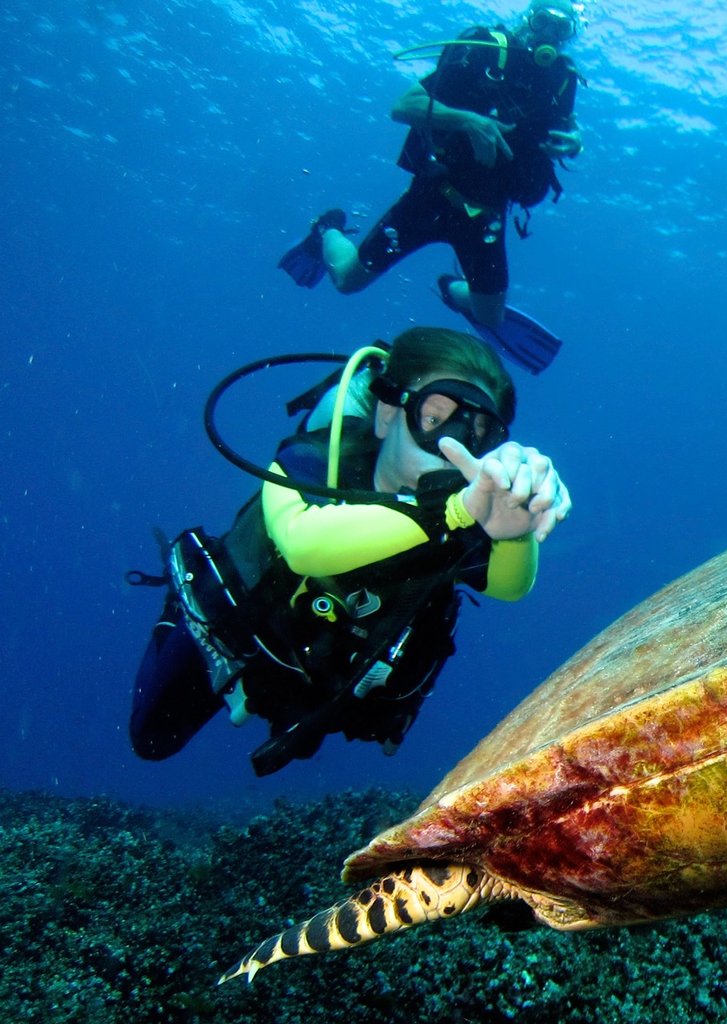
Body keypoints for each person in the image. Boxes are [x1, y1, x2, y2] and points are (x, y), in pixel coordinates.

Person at [129, 326, 571, 776]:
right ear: (387, 415)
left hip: (322, 677)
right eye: (434, 420)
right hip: (233, 635)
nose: (449, 447)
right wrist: (452, 513)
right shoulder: (312, 461)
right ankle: (175, 614)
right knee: (152, 739)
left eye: (477, 433)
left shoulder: (470, 507)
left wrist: (515, 529)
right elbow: (303, 545)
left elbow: (509, 586)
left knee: (302, 745)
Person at [277, 1, 585, 374]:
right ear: (527, 19)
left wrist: (575, 141)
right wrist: (468, 121)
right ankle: (327, 230)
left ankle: (450, 289)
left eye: (561, 30)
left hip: (487, 215)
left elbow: (567, 126)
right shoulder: (486, 50)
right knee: (347, 281)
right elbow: (404, 105)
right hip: (434, 197)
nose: (548, 36)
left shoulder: (562, 79)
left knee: (490, 315)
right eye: (542, 22)